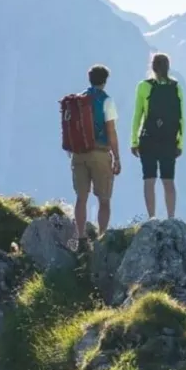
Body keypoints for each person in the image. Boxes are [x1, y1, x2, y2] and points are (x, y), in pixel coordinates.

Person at [70, 64, 121, 248]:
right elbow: (111, 131)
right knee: (104, 199)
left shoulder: (78, 99)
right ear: (105, 81)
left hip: (78, 153)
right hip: (100, 153)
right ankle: (101, 238)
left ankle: (81, 237)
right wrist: (117, 157)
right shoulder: (107, 101)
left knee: (81, 197)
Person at [131, 52, 183, 220]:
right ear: (168, 67)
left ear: (152, 67)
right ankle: (171, 217)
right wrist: (179, 143)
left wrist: (134, 141)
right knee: (168, 181)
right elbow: (181, 118)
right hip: (169, 140)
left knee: (149, 180)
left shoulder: (143, 86)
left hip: (148, 139)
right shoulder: (176, 87)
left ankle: (152, 218)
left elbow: (137, 115)